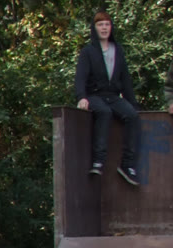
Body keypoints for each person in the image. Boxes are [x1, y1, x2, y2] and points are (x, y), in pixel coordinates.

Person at [74, 11, 141, 186]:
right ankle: (98, 161)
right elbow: (80, 77)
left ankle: (127, 165)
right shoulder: (88, 52)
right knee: (104, 112)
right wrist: (81, 97)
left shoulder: (117, 50)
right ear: (94, 28)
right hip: (94, 95)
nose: (104, 28)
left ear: (111, 27)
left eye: (107, 24)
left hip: (112, 95)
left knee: (132, 115)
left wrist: (133, 103)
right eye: (100, 25)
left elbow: (125, 80)